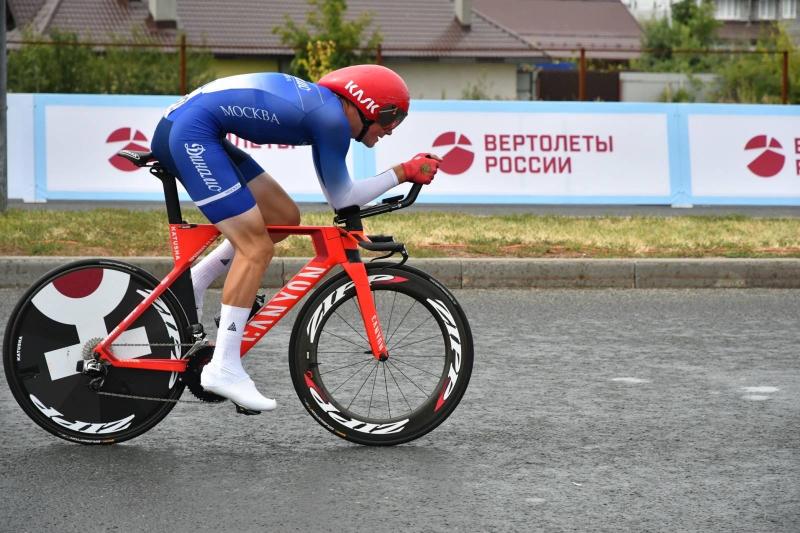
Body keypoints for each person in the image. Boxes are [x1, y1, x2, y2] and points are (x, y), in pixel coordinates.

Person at [150, 65, 441, 413]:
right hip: (191, 132)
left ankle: (196, 281)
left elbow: (340, 196)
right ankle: (223, 367)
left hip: (190, 126)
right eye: (389, 119)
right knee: (255, 248)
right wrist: (403, 172)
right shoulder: (332, 119)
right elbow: (343, 198)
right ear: (366, 105)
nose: (390, 131)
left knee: (283, 217)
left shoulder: (326, 111)